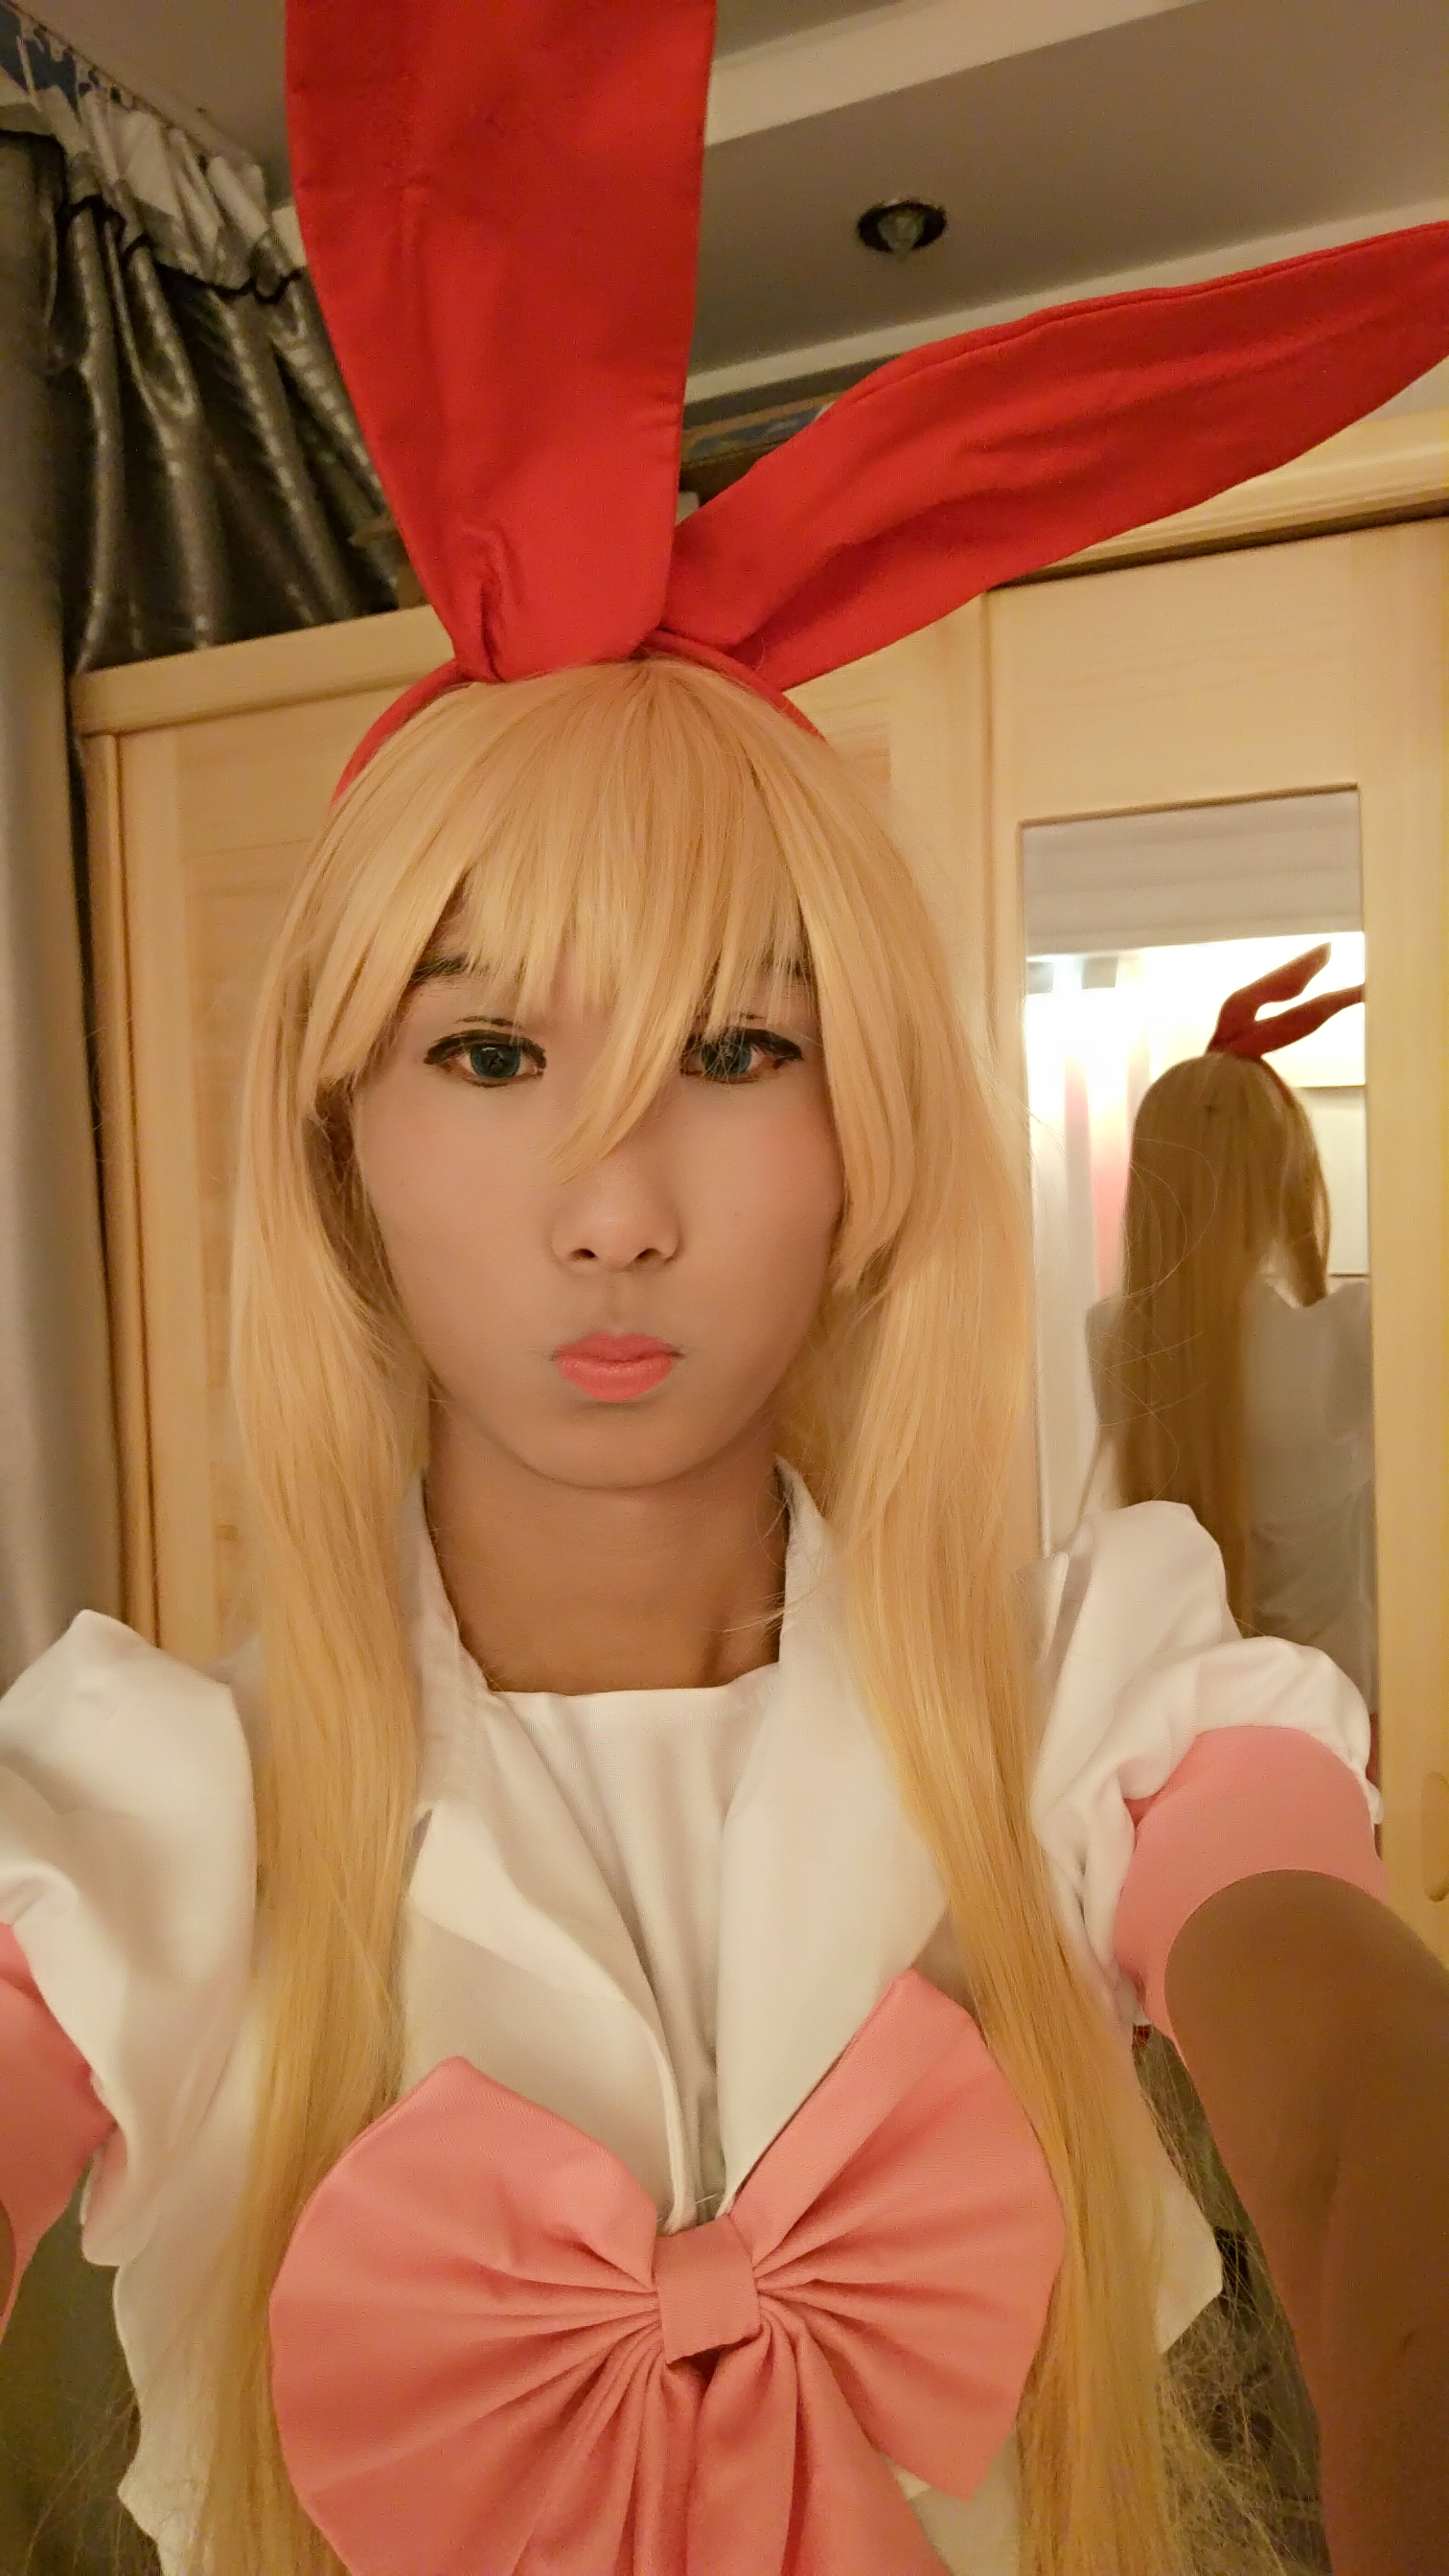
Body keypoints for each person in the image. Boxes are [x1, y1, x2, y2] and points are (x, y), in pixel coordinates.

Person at [2, 8, 1449, 2573]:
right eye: (490, 1051)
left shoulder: (1096, 1705)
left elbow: (1346, 2075)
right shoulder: (148, 1817)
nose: (612, 1203)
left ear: (869, 1139)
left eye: (738, 1049)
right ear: (340, 1142)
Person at [1089, 950, 1377, 1714]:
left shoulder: (1110, 1337)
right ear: (1287, 1174)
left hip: (1187, 1706)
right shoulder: (1346, 1335)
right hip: (1344, 1706)